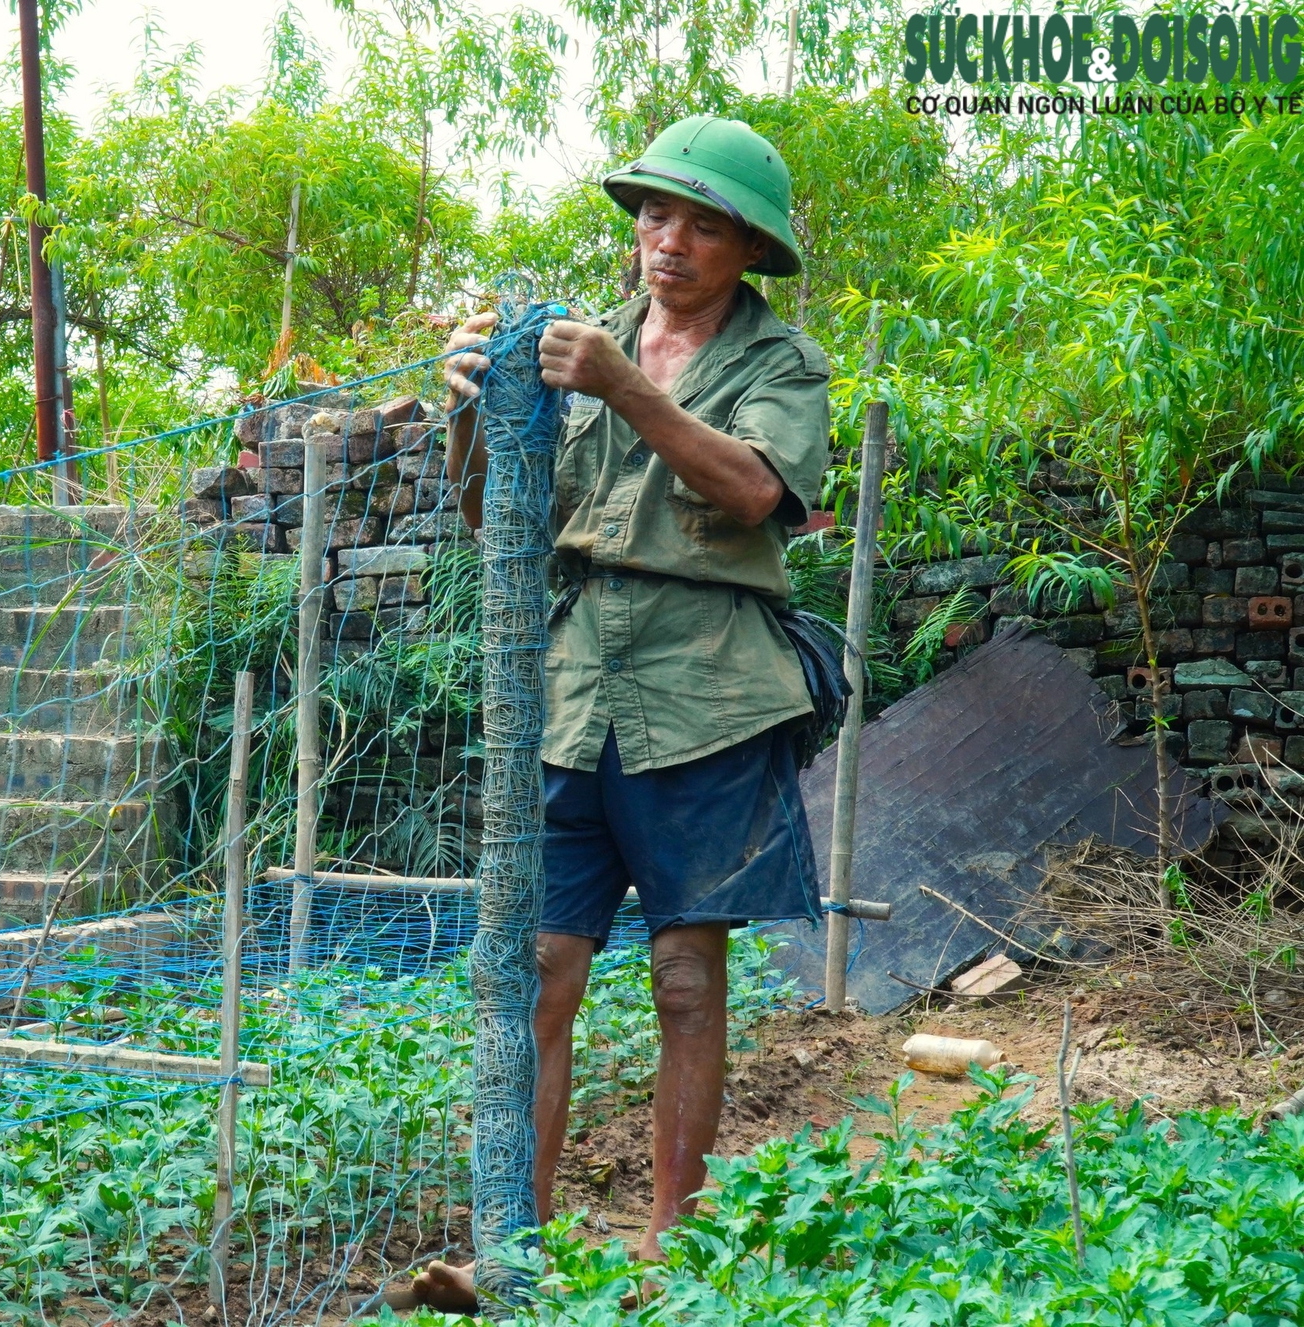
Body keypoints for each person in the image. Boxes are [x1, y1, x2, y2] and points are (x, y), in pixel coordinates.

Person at [404, 115, 831, 1313]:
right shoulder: (562, 348)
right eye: (653, 215)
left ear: (748, 249)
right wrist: (472, 407)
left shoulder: (779, 363)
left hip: (706, 694)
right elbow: (501, 513)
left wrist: (625, 384)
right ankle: (507, 1247)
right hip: (568, 689)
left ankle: (671, 1244)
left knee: (686, 979)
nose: (669, 242)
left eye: (703, 225)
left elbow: (755, 491)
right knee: (539, 966)